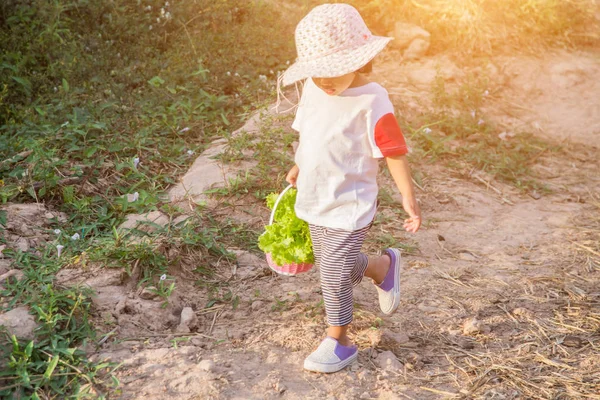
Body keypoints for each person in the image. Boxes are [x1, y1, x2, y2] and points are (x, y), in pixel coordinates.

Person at [280, 3, 422, 373]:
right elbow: (311, 135)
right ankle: (381, 266)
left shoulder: (373, 99)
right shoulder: (313, 90)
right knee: (334, 264)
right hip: (315, 194)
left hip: (351, 202)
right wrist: (299, 165)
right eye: (318, 71)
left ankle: (339, 339)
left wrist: (408, 196)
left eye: (334, 70)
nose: (325, 80)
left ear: (359, 60)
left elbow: (393, 152)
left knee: (333, 271)